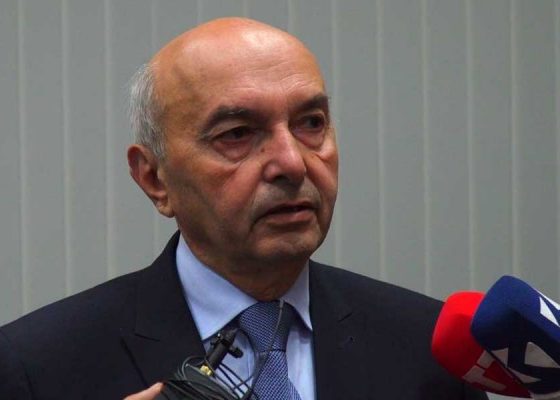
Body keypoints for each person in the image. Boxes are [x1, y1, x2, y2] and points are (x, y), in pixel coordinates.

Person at [0, 17, 487, 400]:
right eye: (237, 134)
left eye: (311, 123)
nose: (292, 163)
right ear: (154, 178)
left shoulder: (431, 349)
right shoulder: (36, 367)